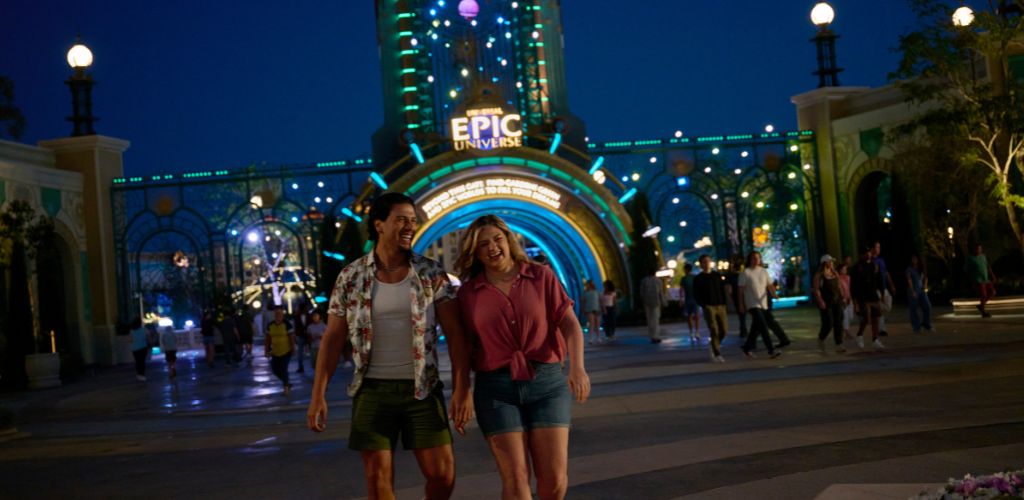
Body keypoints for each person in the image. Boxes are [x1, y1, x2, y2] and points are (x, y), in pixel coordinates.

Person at [307, 193, 471, 500]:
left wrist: (462, 389)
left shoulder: (431, 273)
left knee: (443, 475)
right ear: (379, 225)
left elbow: (456, 335)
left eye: (413, 220)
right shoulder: (351, 276)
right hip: (372, 391)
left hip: (423, 389)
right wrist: (318, 394)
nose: (410, 226)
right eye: (402, 219)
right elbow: (332, 340)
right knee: (377, 479)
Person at [454, 214, 590, 500]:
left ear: (509, 239)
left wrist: (577, 368)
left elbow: (570, 325)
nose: (492, 248)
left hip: (548, 385)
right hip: (496, 389)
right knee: (516, 481)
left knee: (553, 480)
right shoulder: (468, 294)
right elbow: (464, 347)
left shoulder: (541, 276)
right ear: (474, 252)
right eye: (483, 244)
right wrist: (462, 389)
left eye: (497, 239)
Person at [737, 251, 784, 359]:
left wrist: (774, 295)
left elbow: (770, 285)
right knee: (763, 326)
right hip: (752, 304)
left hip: (763, 304)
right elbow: (740, 291)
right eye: (753, 258)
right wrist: (741, 304)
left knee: (756, 328)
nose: (756, 260)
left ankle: (747, 347)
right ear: (749, 260)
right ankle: (771, 350)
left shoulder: (763, 271)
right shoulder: (745, 273)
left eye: (758, 258)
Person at [692, 254, 729, 362]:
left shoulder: (716, 275)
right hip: (709, 306)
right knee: (714, 329)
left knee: (724, 330)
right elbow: (696, 293)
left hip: (720, 305)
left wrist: (724, 303)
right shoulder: (698, 278)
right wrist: (703, 304)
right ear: (701, 264)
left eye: (708, 261)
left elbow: (722, 290)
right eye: (704, 261)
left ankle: (714, 344)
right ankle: (717, 353)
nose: (707, 263)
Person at [850, 245, 884, 349]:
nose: (868, 255)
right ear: (861, 255)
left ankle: (875, 339)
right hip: (863, 296)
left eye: (869, 252)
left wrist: (881, 292)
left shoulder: (874, 266)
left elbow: (878, 279)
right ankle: (860, 335)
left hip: (873, 295)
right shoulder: (856, 267)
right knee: (866, 317)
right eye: (865, 253)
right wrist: (855, 301)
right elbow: (853, 285)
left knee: (876, 317)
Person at [812, 255, 847, 354]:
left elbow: (839, 286)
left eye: (832, 261)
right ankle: (821, 338)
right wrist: (820, 300)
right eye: (830, 261)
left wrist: (843, 297)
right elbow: (816, 289)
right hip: (826, 302)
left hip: (837, 301)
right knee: (829, 323)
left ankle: (839, 344)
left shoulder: (835, 273)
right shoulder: (819, 275)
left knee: (839, 322)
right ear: (824, 263)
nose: (832, 263)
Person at [264, 306, 295, 394]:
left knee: (283, 368)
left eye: (280, 313)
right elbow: (267, 339)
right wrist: (266, 350)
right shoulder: (270, 325)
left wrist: (293, 348)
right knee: (275, 369)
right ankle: (287, 382)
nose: (278, 315)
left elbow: (291, 337)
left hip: (286, 350)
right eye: (276, 313)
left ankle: (286, 387)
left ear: (282, 314)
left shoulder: (287, 324)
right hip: (275, 351)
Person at [871, 241, 897, 336]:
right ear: (872, 248)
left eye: (879, 247)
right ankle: (881, 329)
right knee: (880, 307)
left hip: (884, 287)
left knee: (887, 305)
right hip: (876, 288)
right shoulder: (870, 261)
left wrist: (891, 284)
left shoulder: (881, 260)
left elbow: (886, 273)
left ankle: (875, 318)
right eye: (877, 247)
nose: (878, 249)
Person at [965, 243, 997, 318]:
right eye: (977, 249)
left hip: (985, 279)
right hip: (977, 279)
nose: (979, 250)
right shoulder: (970, 258)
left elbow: (988, 267)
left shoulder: (983, 256)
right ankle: (983, 312)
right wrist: (971, 281)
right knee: (983, 295)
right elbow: (967, 271)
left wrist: (993, 276)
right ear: (974, 249)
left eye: (980, 249)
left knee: (993, 292)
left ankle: (981, 306)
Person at [906, 253, 934, 333]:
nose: (914, 260)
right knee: (913, 309)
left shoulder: (921, 269)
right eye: (913, 258)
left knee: (927, 306)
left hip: (921, 290)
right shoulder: (909, 269)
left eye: (916, 258)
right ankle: (916, 327)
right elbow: (909, 280)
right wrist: (912, 291)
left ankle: (926, 324)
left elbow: (925, 277)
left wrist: (925, 285)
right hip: (913, 290)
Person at [640, 270, 667, 344]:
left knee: (649, 320)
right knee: (655, 320)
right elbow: (661, 292)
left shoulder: (644, 281)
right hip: (656, 302)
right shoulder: (658, 281)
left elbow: (642, 293)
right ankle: (656, 336)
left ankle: (652, 336)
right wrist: (664, 303)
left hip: (647, 302)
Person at [678, 263, 701, 343]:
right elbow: (681, 289)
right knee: (689, 316)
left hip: (694, 299)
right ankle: (692, 331)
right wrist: (681, 299)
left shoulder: (694, 277)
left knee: (696, 316)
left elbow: (698, 288)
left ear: (687, 270)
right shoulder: (684, 278)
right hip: (688, 299)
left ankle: (697, 332)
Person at [581, 280, 602, 345]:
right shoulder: (585, 293)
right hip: (589, 309)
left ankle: (598, 337)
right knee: (591, 324)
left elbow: (600, 301)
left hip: (597, 309)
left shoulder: (596, 292)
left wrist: (602, 309)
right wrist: (583, 309)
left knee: (597, 324)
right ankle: (591, 338)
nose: (588, 286)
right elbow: (583, 302)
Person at [838, 260, 854, 341]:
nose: (845, 271)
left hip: (849, 298)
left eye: (845, 269)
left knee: (850, 316)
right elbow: (840, 289)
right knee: (845, 316)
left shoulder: (848, 278)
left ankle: (845, 331)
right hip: (843, 299)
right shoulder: (838, 278)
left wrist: (850, 298)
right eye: (843, 269)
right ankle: (846, 332)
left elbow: (849, 288)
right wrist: (843, 298)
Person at [293, 302, 311, 373]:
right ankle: (300, 366)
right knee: (300, 352)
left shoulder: (309, 316)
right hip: (300, 335)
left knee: (312, 350)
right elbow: (296, 327)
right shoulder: (297, 317)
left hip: (308, 335)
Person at [129, 317, 149, 381]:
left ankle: (139, 374)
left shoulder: (132, 331)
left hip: (135, 348)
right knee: (142, 361)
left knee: (137, 361)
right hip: (143, 347)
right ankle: (142, 374)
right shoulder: (144, 330)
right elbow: (148, 337)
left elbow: (130, 340)